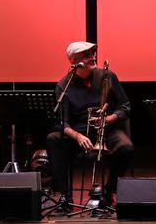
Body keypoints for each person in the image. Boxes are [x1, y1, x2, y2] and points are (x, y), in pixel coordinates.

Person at [45, 41, 134, 207]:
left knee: (126, 148)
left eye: (93, 53)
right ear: (74, 61)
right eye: (86, 56)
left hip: (107, 128)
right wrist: (77, 136)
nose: (93, 57)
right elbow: (62, 122)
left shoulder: (108, 76)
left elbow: (125, 106)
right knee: (53, 139)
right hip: (80, 131)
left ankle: (109, 191)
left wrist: (110, 119)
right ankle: (65, 196)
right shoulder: (63, 85)